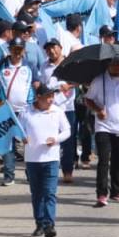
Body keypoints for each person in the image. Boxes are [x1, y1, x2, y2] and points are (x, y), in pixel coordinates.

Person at [84, 58, 119, 208]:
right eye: (113, 64)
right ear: (108, 65)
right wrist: (98, 109)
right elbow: (88, 99)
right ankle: (102, 194)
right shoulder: (99, 80)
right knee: (104, 160)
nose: (116, 66)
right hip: (103, 126)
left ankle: (116, 191)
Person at [20, 85, 71, 237]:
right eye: (48, 97)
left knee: (49, 193)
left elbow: (67, 130)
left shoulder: (57, 111)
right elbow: (17, 131)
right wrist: (21, 138)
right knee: (37, 194)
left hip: (51, 159)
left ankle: (49, 225)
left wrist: (55, 140)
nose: (51, 99)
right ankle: (40, 223)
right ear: (38, 97)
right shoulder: (26, 112)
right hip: (33, 159)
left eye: (52, 96)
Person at [0, 37, 36, 186]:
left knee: (28, 142)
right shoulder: (1, 65)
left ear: (24, 50)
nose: (16, 52)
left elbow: (37, 84)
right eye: (14, 48)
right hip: (7, 110)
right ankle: (9, 175)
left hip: (26, 110)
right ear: (9, 49)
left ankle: (31, 173)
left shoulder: (29, 66)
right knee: (7, 143)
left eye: (19, 49)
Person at [41, 38, 77, 183]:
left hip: (67, 108)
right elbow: (42, 85)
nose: (51, 51)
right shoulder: (44, 66)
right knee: (50, 139)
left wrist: (69, 85)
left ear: (61, 48)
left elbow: (79, 80)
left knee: (68, 140)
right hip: (50, 108)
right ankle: (50, 170)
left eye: (53, 47)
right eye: (48, 49)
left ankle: (68, 170)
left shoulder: (70, 63)